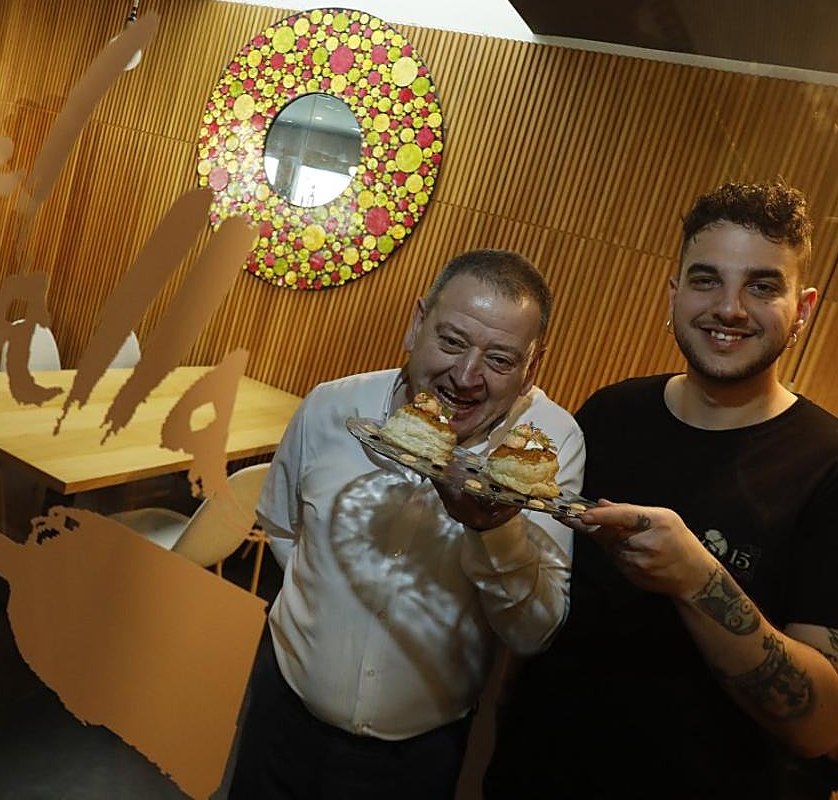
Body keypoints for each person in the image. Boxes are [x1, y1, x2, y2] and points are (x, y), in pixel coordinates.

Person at [486, 181, 838, 798]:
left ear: (804, 310)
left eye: (762, 286)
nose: (730, 308)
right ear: (674, 294)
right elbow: (545, 600)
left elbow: (820, 724)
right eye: (707, 280)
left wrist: (696, 580)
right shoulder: (608, 413)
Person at [228, 250, 586, 799]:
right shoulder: (331, 406)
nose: (466, 376)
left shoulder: (548, 447)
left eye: (499, 359)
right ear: (417, 324)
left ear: (531, 369)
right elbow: (282, 528)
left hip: (415, 759)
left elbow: (533, 631)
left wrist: (492, 530)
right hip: (282, 713)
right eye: (452, 341)